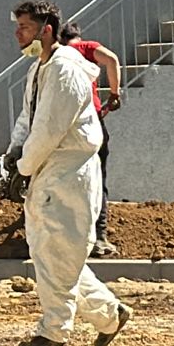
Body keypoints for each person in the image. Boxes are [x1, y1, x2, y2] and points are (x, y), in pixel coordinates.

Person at [3, 0, 132, 346]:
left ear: (46, 29)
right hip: (49, 168)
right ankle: (110, 315)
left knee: (55, 250)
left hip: (67, 171)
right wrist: (14, 157)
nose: (18, 34)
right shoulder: (39, 69)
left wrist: (24, 166)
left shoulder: (65, 71)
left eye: (25, 27)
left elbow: (48, 128)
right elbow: (28, 121)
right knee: (56, 251)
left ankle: (54, 333)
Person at [58, 23, 123, 257]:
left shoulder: (56, 56)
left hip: (64, 125)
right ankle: (99, 237)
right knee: (97, 179)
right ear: (78, 36)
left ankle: (70, 236)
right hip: (91, 122)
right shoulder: (86, 48)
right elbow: (113, 60)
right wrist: (114, 93)